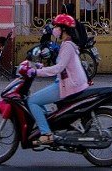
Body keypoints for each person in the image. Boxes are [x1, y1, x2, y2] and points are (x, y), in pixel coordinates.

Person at [28, 13, 90, 144]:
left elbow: (58, 68)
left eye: (57, 27)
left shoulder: (67, 46)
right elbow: (60, 66)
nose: (54, 30)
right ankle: (47, 124)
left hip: (68, 86)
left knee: (32, 101)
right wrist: (39, 67)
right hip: (67, 83)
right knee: (39, 100)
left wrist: (36, 72)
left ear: (64, 30)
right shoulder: (67, 44)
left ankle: (46, 133)